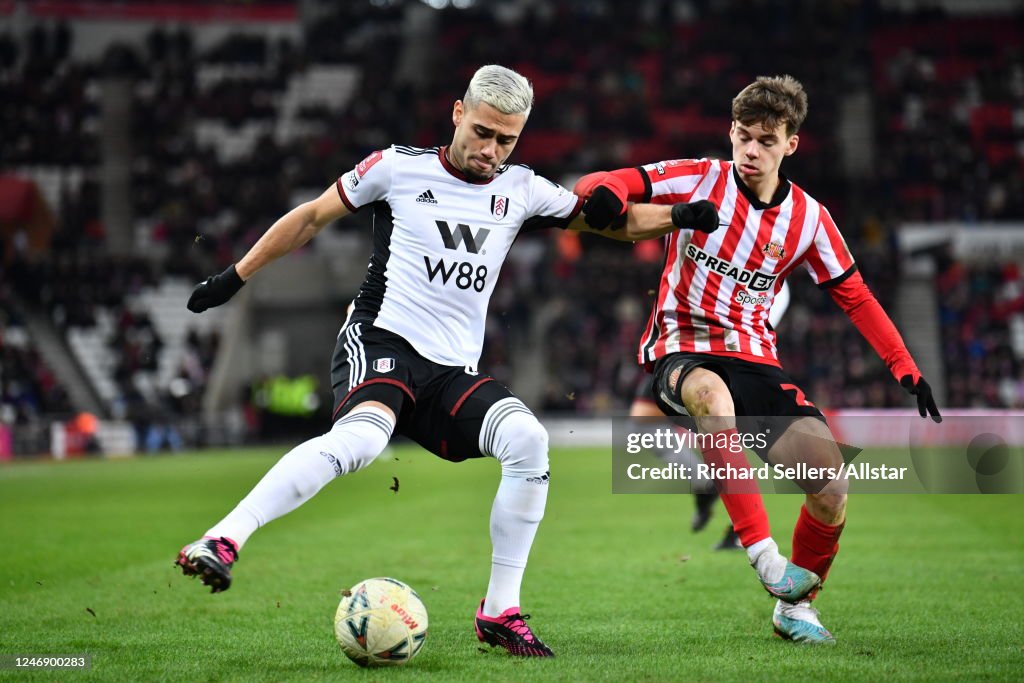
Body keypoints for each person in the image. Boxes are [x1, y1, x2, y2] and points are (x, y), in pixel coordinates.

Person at [175, 64, 717, 658]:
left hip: (451, 372)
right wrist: (235, 277)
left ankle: (500, 611)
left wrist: (677, 215)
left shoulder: (523, 188)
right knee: (360, 442)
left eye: (505, 140)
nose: (490, 150)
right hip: (381, 343)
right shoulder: (396, 168)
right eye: (482, 132)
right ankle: (223, 539)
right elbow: (310, 218)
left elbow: (611, 223)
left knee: (530, 442)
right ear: (458, 112)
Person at [577, 75, 941, 644]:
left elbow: (855, 294)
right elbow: (612, 181)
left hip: (756, 359)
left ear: (791, 144)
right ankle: (765, 558)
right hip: (682, 350)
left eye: (766, 141)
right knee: (711, 399)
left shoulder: (810, 220)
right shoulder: (701, 177)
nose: (750, 150)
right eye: (743, 136)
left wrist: (904, 366)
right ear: (730, 131)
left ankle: (797, 608)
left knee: (830, 486)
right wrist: (606, 193)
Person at [629, 281, 790, 551]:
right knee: (646, 421)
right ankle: (705, 483)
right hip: (689, 332)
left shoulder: (764, 262)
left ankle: (740, 526)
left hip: (728, 338)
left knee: (728, 428)